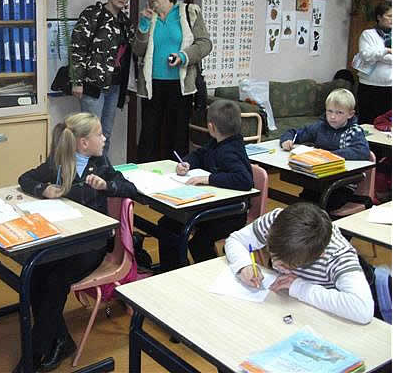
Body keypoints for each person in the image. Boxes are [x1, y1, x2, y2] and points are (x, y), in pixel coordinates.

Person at [16, 112, 137, 372]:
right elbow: (26, 179)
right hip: (64, 239)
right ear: (83, 142)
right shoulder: (59, 161)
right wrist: (43, 189)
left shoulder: (100, 164)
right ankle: (59, 340)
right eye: (99, 134)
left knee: (56, 280)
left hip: (92, 245)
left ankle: (34, 355)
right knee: (35, 273)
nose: (104, 138)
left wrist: (107, 185)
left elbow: (130, 189)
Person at [225, 202, 374, 324]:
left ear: (319, 256)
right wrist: (244, 265)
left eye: (286, 266)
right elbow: (235, 239)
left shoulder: (337, 255)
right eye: (273, 255)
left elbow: (362, 310)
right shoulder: (277, 221)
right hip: (286, 307)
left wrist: (299, 287)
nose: (276, 265)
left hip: (322, 317)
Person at [157, 100, 253, 270]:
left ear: (211, 127)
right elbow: (200, 154)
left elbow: (244, 180)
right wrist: (187, 163)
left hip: (231, 213)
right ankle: (173, 270)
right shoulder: (217, 143)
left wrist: (208, 179)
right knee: (168, 224)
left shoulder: (230, 150)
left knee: (198, 243)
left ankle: (210, 274)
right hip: (212, 206)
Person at [133, 0, 212, 161]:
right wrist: (143, 25)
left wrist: (183, 56)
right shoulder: (149, 18)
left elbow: (205, 43)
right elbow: (137, 50)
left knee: (176, 136)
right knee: (149, 136)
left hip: (180, 86)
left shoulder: (187, 13)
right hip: (153, 87)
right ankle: (146, 179)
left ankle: (176, 175)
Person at [69, 0, 134, 156]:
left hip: (114, 86)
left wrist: (126, 90)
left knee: (105, 135)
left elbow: (131, 53)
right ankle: (83, 177)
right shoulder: (93, 14)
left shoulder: (125, 22)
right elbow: (77, 47)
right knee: (88, 136)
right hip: (93, 85)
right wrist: (77, 80)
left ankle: (101, 175)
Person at [280, 88, 370, 211]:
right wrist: (287, 140)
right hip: (318, 179)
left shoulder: (354, 131)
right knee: (303, 202)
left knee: (325, 204)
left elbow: (362, 151)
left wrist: (328, 155)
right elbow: (294, 132)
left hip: (342, 183)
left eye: (339, 113)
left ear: (350, 114)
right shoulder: (320, 126)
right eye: (329, 111)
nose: (333, 117)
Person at [355, 1, 392, 124]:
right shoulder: (368, 35)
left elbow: (374, 55)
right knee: (367, 122)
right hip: (369, 87)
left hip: (389, 87)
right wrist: (386, 51)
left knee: (386, 123)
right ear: (379, 17)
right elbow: (366, 56)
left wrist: (379, 55)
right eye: (389, 16)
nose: (392, 19)